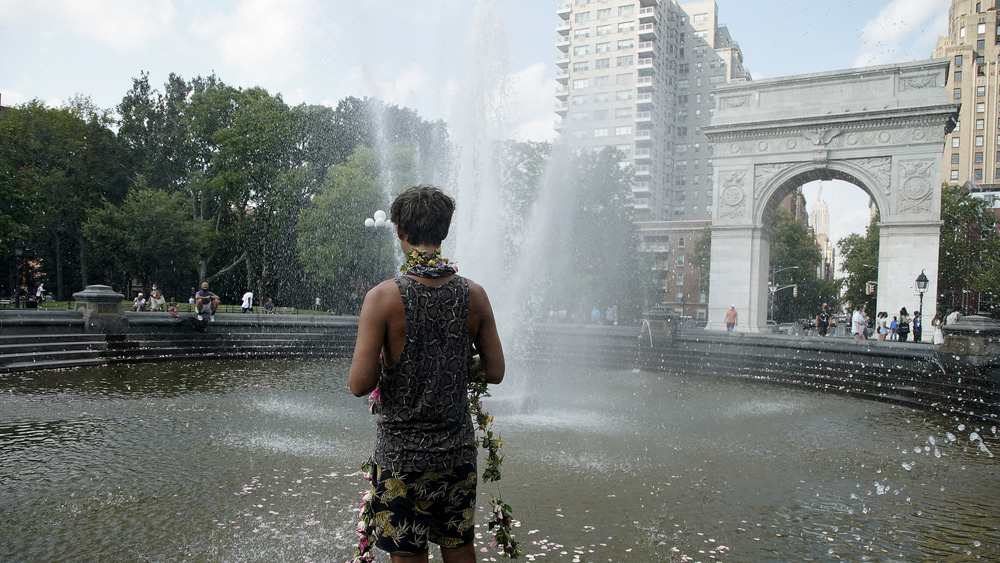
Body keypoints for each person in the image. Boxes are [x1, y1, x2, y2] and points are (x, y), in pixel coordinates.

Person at [348, 185, 505, 563]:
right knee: (460, 548)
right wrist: (451, 365)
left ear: (399, 230)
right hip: (456, 452)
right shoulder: (475, 294)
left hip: (403, 457)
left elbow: (359, 384)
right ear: (445, 231)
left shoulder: (383, 298)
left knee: (407, 554)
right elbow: (495, 371)